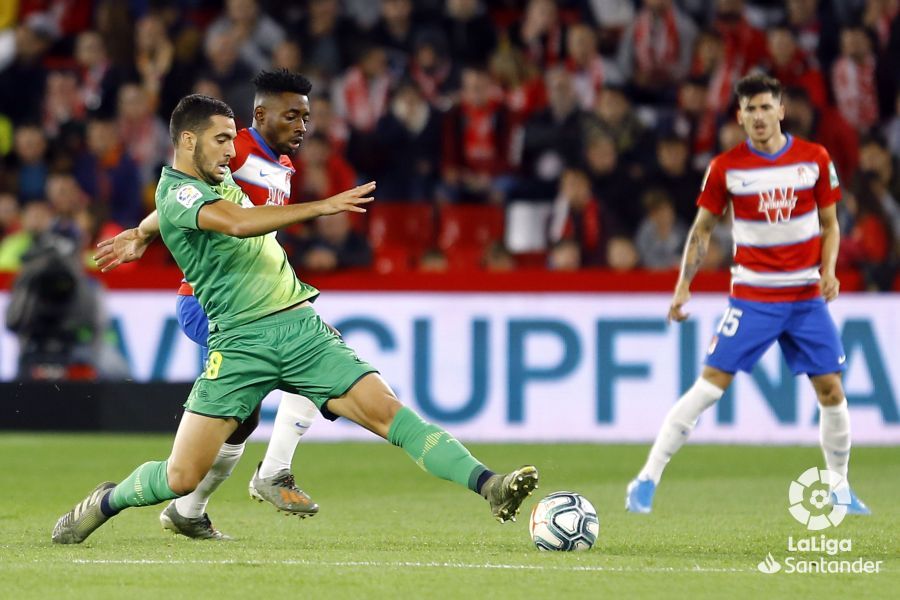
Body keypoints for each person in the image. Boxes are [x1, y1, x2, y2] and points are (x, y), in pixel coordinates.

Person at [51, 94, 538, 545]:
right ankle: (108, 500)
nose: (230, 150)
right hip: (239, 344)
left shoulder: (211, 182)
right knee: (180, 476)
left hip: (300, 328)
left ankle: (490, 485)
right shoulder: (177, 191)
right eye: (221, 139)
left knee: (387, 411)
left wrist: (141, 231)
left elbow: (172, 214)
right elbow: (237, 223)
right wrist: (322, 207)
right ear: (187, 140)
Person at [92, 70, 331, 540]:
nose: (303, 125)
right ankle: (271, 474)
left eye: (306, 116)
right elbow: (183, 192)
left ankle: (189, 509)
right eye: (292, 115)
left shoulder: (277, 162)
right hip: (208, 302)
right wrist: (141, 233)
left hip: (251, 301)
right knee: (311, 363)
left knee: (245, 415)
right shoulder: (237, 147)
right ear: (261, 115)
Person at [625, 74, 870, 515]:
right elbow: (702, 231)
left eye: (765, 107)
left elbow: (830, 224)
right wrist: (684, 284)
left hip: (804, 298)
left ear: (781, 110)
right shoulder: (726, 168)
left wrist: (828, 269)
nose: (757, 117)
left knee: (832, 390)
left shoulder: (814, 158)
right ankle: (646, 479)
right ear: (739, 116)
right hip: (754, 297)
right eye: (749, 109)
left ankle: (840, 489)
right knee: (710, 387)